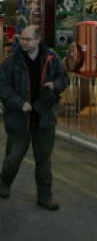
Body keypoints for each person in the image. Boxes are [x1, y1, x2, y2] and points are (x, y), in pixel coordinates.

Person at [0, 24, 68, 209]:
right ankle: (4, 182)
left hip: (44, 119)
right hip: (19, 118)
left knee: (44, 161)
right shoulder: (11, 62)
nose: (23, 42)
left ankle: (45, 196)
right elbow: (2, 87)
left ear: (38, 40)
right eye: (21, 38)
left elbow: (63, 78)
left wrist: (54, 85)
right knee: (14, 157)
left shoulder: (51, 59)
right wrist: (19, 103)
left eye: (27, 39)